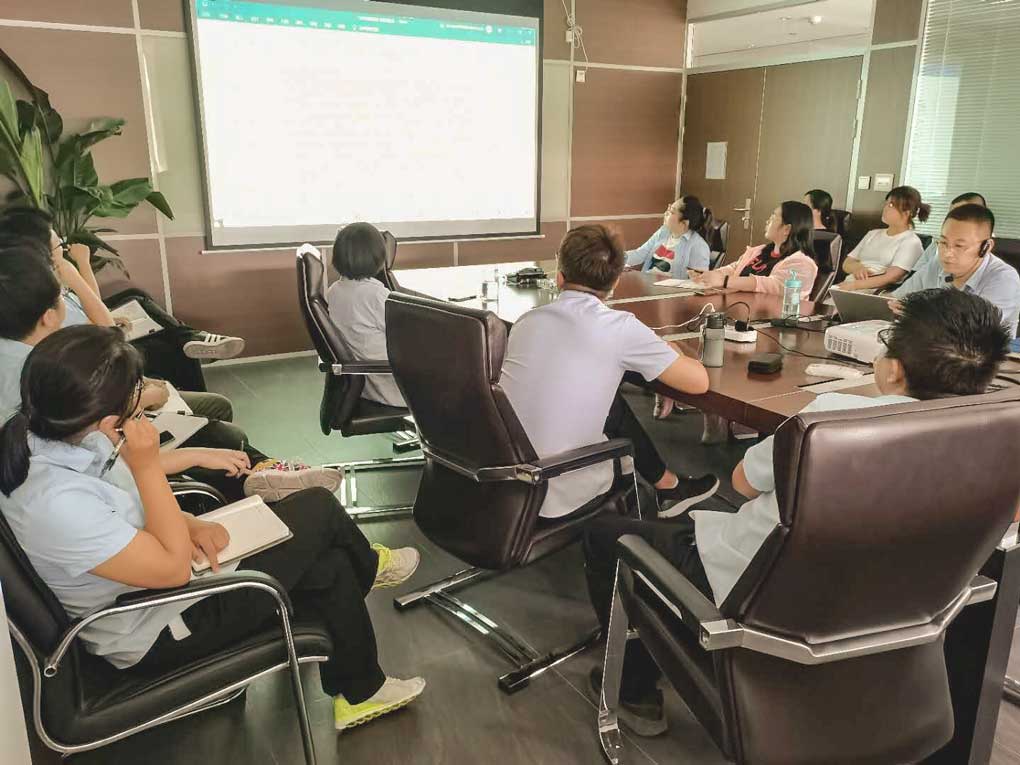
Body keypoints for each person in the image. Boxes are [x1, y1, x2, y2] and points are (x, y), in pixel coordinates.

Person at [583, 287, 1010, 736]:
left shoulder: (831, 420)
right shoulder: (996, 442)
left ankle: (635, 687)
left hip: (762, 597)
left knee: (607, 535)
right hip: (886, 612)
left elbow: (743, 483)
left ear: (895, 368)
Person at [0, 325, 425, 732]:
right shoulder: (55, 502)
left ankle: (361, 690)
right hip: (158, 627)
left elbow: (124, 507)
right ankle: (370, 567)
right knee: (318, 507)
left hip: (161, 587)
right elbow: (171, 571)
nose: (140, 403)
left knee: (329, 564)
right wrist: (147, 467)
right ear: (108, 416)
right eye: (135, 395)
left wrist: (188, 522)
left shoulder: (59, 437)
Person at [0, 244, 342, 503]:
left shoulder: (32, 354)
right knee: (217, 434)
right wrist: (144, 397)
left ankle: (263, 471)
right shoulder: (40, 365)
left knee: (212, 420)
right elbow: (100, 418)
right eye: (56, 250)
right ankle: (258, 478)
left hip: (115, 445)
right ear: (48, 315)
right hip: (119, 455)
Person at [498, 224, 719, 519]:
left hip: (502, 477)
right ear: (615, 283)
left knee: (610, 403)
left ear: (559, 276)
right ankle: (644, 510)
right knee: (610, 411)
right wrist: (670, 348)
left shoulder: (528, 320)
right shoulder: (620, 328)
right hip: (552, 487)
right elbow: (698, 382)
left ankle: (668, 485)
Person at [0, 207, 245, 392]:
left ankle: (190, 339)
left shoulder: (37, 280)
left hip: (100, 337)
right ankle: (191, 353)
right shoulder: (38, 292)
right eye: (58, 246)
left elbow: (89, 309)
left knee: (135, 297)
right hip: (101, 353)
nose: (64, 249)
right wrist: (77, 268)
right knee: (173, 349)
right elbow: (103, 330)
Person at [893, 204, 1020, 337]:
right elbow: (898, 298)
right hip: (927, 342)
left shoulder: (1004, 278)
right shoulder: (938, 264)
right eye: (943, 243)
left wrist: (916, 311)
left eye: (959, 246)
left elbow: (972, 331)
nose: (947, 253)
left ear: (986, 247)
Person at [326, 222, 405, 408]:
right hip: (390, 386)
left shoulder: (334, 291)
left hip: (361, 383)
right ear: (377, 256)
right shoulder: (376, 296)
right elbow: (404, 337)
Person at [692, 201, 817, 299]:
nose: (767, 221)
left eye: (773, 217)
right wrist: (709, 275)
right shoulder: (759, 251)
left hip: (769, 318)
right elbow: (734, 268)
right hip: (739, 307)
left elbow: (770, 285)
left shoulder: (802, 263)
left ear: (787, 229)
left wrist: (724, 281)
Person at [836, 186, 929, 293]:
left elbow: (892, 277)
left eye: (891, 205)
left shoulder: (911, 242)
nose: (885, 208)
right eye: (886, 204)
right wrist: (857, 268)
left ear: (907, 213)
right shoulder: (872, 234)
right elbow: (846, 263)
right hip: (848, 285)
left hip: (876, 291)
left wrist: (855, 285)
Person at [625, 197, 713, 278]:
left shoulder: (698, 246)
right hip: (647, 284)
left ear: (684, 223)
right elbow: (640, 254)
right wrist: (617, 258)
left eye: (671, 212)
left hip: (669, 289)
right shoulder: (663, 232)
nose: (665, 213)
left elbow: (699, 281)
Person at [911, 191, 988, 273]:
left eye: (963, 215)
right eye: (952, 215)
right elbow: (915, 273)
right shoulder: (939, 242)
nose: (955, 220)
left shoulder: (987, 249)